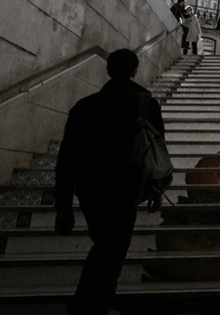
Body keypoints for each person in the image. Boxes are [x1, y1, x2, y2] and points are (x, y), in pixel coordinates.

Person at [54, 49, 166, 315]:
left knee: (106, 247)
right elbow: (157, 150)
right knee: (112, 251)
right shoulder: (146, 103)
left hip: (91, 189)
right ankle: (89, 307)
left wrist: (64, 206)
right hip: (126, 188)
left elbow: (67, 157)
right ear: (135, 70)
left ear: (108, 70)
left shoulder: (84, 106)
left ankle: (87, 306)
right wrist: (157, 188)